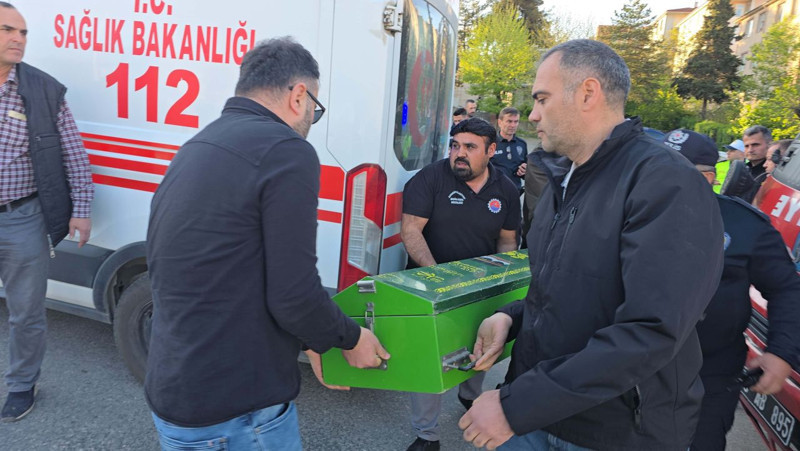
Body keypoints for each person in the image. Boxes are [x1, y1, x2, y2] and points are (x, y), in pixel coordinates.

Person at [459, 39, 724, 450]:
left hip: (613, 432)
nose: (532, 115)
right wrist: (511, 319)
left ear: (587, 93)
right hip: (538, 416)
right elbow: (567, 291)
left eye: (542, 99)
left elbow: (650, 330)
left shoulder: (665, 183)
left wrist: (519, 405)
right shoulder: (565, 180)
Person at [145, 37, 389, 450]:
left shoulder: (200, 143)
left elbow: (231, 269)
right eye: (316, 106)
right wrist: (351, 338)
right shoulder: (286, 150)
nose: (313, 116)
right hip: (237, 413)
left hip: (179, 389)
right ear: (299, 95)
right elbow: (294, 293)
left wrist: (314, 337)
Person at [663, 129, 800, 451]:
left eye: (672, 169)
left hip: (707, 379)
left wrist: (780, 352)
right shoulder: (626, 214)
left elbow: (786, 289)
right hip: (630, 373)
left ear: (708, 177)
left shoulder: (742, 224)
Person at [401, 117, 519, 451]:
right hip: (429, 285)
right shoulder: (430, 179)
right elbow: (411, 230)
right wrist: (438, 279)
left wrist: (500, 285)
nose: (459, 154)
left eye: (469, 147)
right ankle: (427, 435)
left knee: (478, 346)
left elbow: (508, 242)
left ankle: (469, 396)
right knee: (429, 359)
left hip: (478, 289)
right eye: (455, 146)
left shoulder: (506, 189)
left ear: (491, 151)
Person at [0, 2, 93, 422]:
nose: (18, 38)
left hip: (22, 217)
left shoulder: (42, 89)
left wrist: (82, 209)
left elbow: (74, 154)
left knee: (26, 312)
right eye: (8, 30)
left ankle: (22, 385)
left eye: (23, 32)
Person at [491, 107, 527, 192]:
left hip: (515, 192)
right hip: (494, 193)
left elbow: (525, 172)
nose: (513, 125)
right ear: (500, 122)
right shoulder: (490, 143)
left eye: (516, 121)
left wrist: (524, 171)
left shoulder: (522, 144)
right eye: (509, 121)